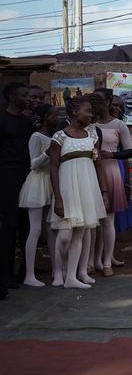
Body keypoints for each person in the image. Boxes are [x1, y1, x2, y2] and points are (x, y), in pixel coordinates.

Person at [49, 96, 108, 289]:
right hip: (67, 189)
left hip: (86, 187)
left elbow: (99, 166)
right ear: (75, 112)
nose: (91, 115)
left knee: (79, 234)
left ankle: (72, 277)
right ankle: (59, 270)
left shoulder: (92, 136)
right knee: (64, 235)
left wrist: (104, 192)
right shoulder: (59, 137)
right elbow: (53, 167)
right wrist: (58, 197)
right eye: (88, 111)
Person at [86, 92, 132, 277]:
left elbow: (129, 151)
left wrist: (111, 155)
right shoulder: (89, 125)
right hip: (91, 171)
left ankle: (107, 262)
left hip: (111, 170)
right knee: (92, 221)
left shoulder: (119, 125)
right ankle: (91, 261)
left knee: (108, 220)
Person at [19, 104, 60, 286]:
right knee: (35, 229)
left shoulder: (51, 137)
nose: (56, 117)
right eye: (53, 114)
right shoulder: (36, 137)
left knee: (52, 229)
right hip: (37, 183)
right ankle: (29, 275)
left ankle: (57, 270)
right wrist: (47, 152)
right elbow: (34, 164)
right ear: (45, 117)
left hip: (50, 182)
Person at [0, 82, 34, 298]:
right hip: (7, 175)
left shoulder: (28, 122)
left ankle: (25, 273)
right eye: (24, 95)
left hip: (27, 175)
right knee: (9, 226)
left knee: (27, 225)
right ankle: (5, 275)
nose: (28, 98)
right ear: (12, 97)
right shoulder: (1, 120)